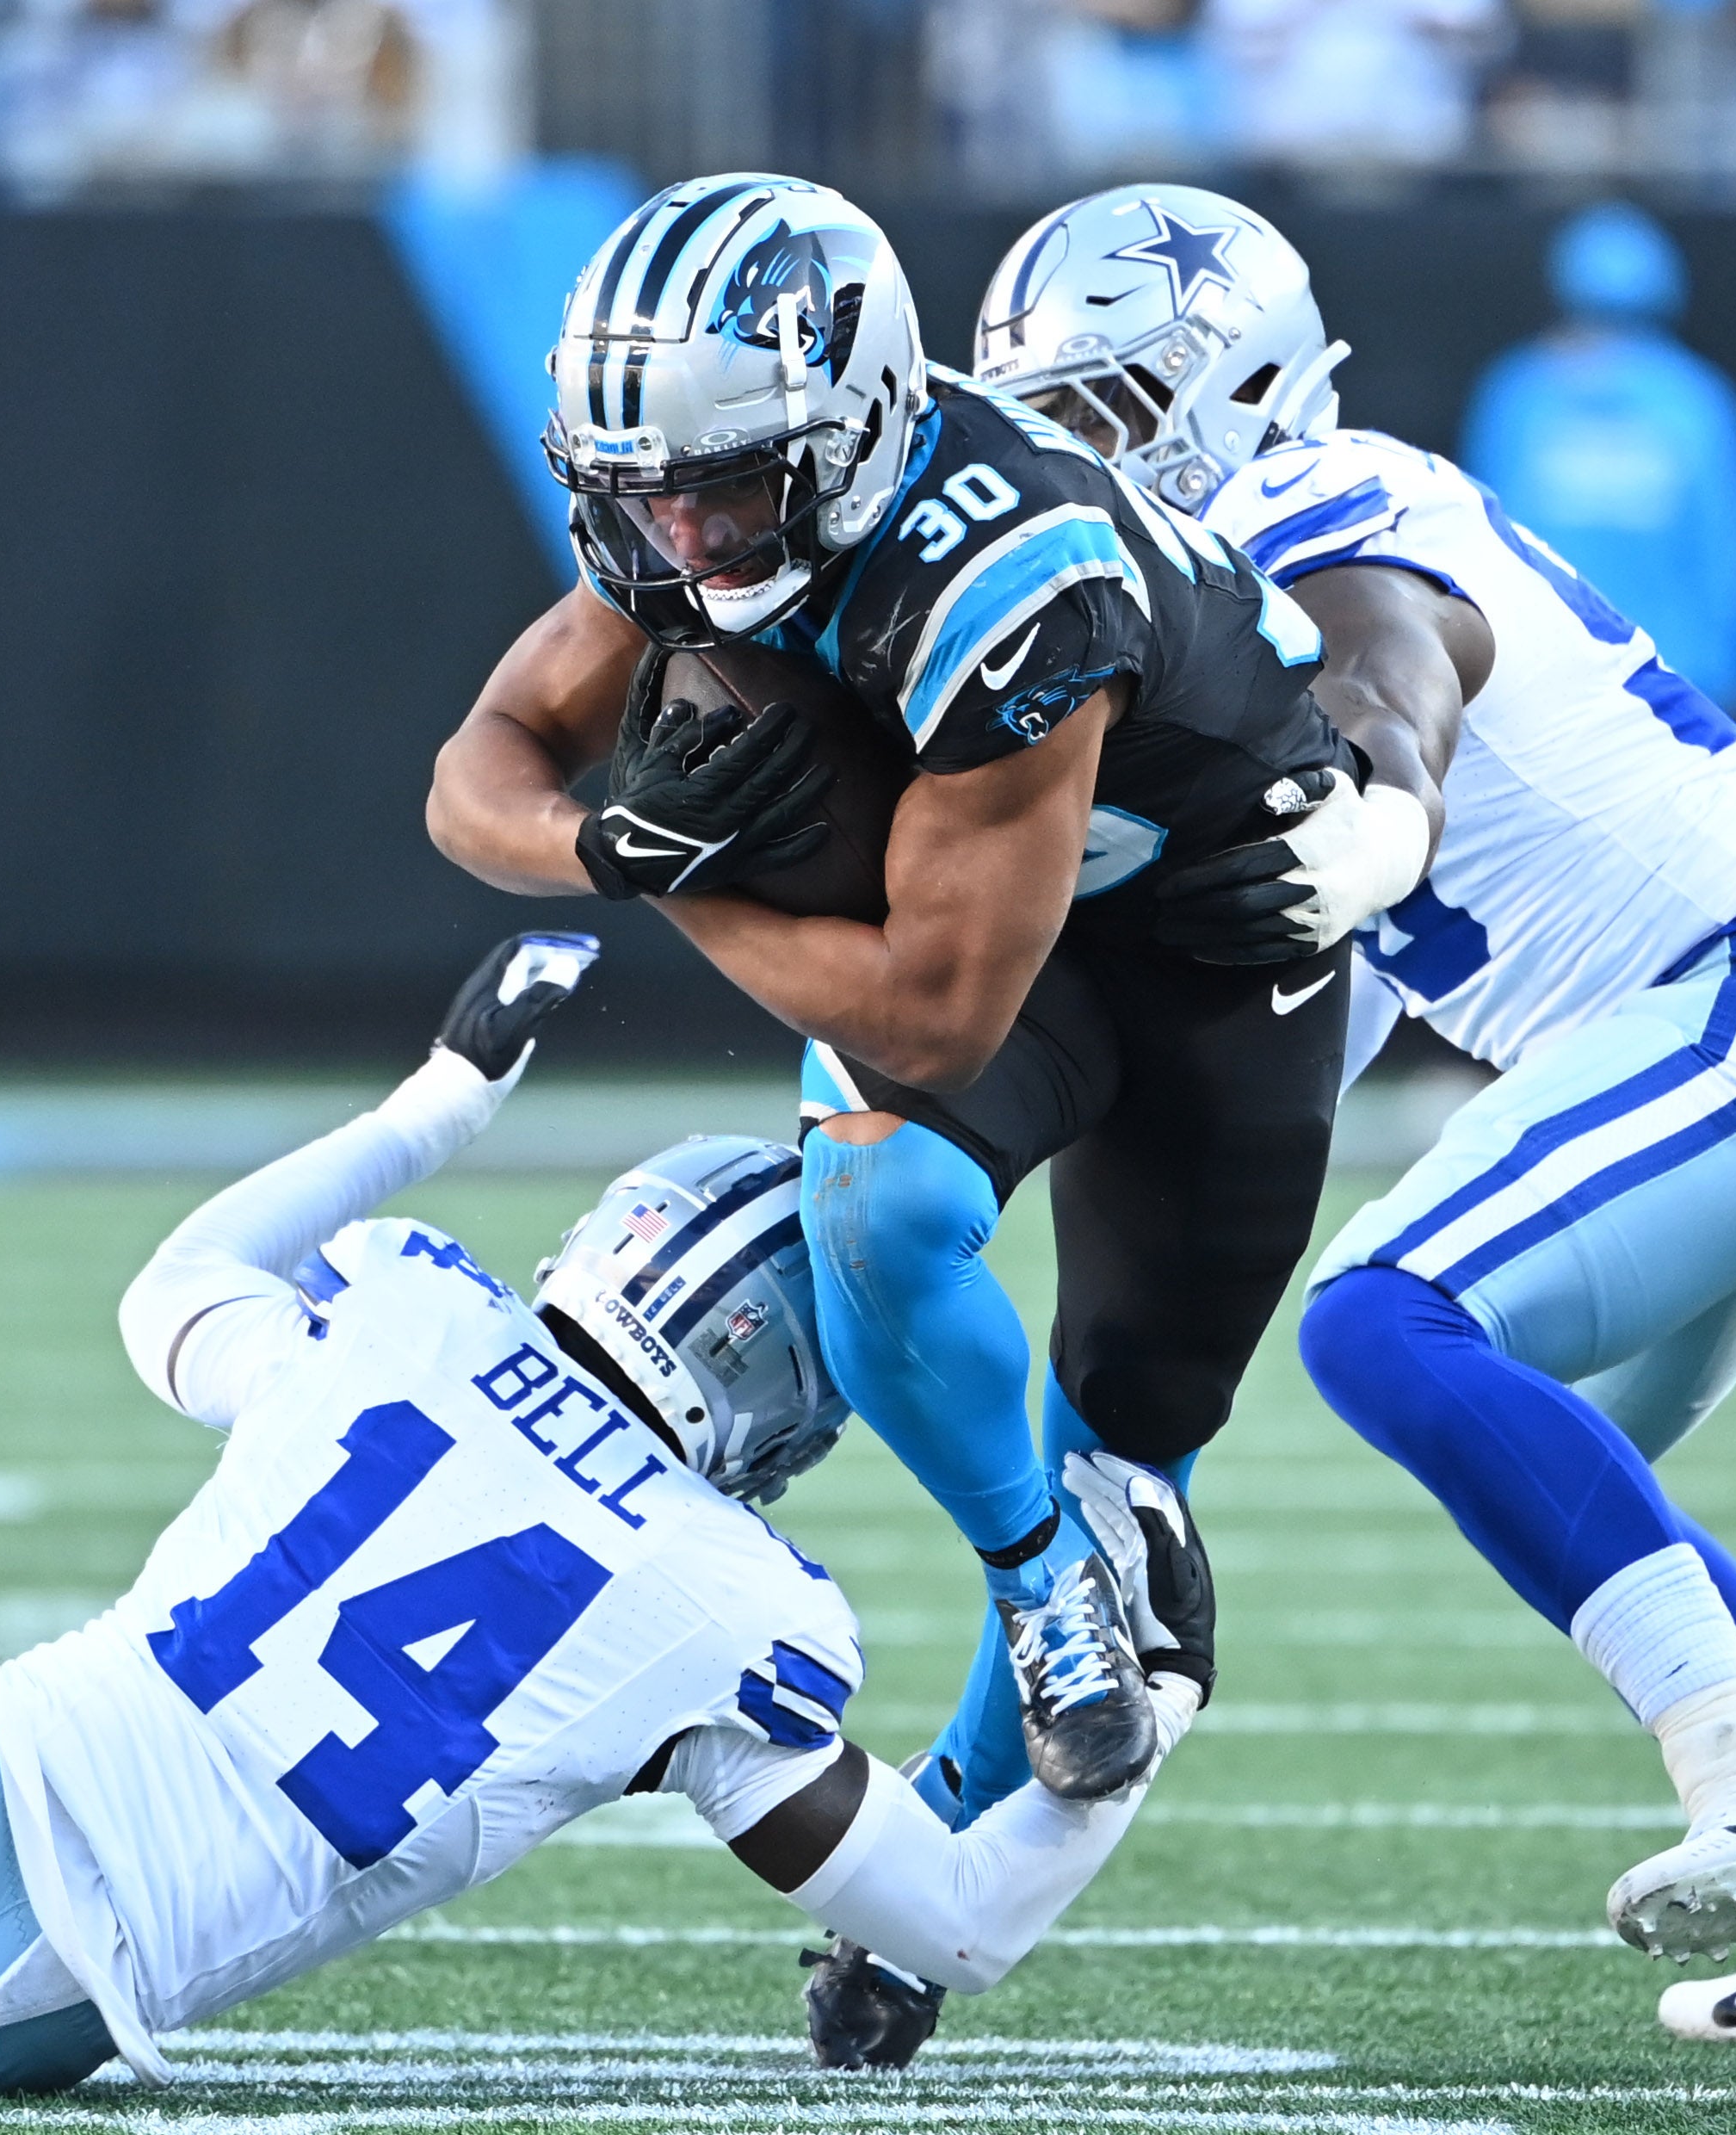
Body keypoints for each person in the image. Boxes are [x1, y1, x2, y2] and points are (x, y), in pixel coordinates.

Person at [973, 182, 1736, 2053]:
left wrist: (1380, 803)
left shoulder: (1311, 507)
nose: (1071, 464)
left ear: (1241, 386)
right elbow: (1308, 1035)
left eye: (1108, 415)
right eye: (1045, 422)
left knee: (1389, 1328)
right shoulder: (1208, 596)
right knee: (1574, 1488)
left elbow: (1391, 668)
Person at [0, 934, 1213, 2101]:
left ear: (622, 1234)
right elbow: (959, 1923)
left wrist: (437, 1102)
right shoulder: (741, 1613)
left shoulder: (406, 1317)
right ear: (794, 1403)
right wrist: (1170, 1694)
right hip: (54, 2017)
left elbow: (174, 1294)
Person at [423, 174, 1403, 2062]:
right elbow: (476, 772)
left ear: (855, 425)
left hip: (1213, 953)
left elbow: (937, 1002)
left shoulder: (1007, 570)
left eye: (720, 491)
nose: (679, 538)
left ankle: (947, 1856)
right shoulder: (696, 497)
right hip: (986, 911)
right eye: (643, 495)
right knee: (880, 1226)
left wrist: (681, 885)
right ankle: (1037, 1589)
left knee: (1128, 1460)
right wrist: (603, 840)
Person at [1459, 201, 1736, 732]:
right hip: (1680, 696)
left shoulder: (1516, 393)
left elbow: (1476, 547)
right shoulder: (1697, 398)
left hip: (1541, 692)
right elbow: (1731, 562)